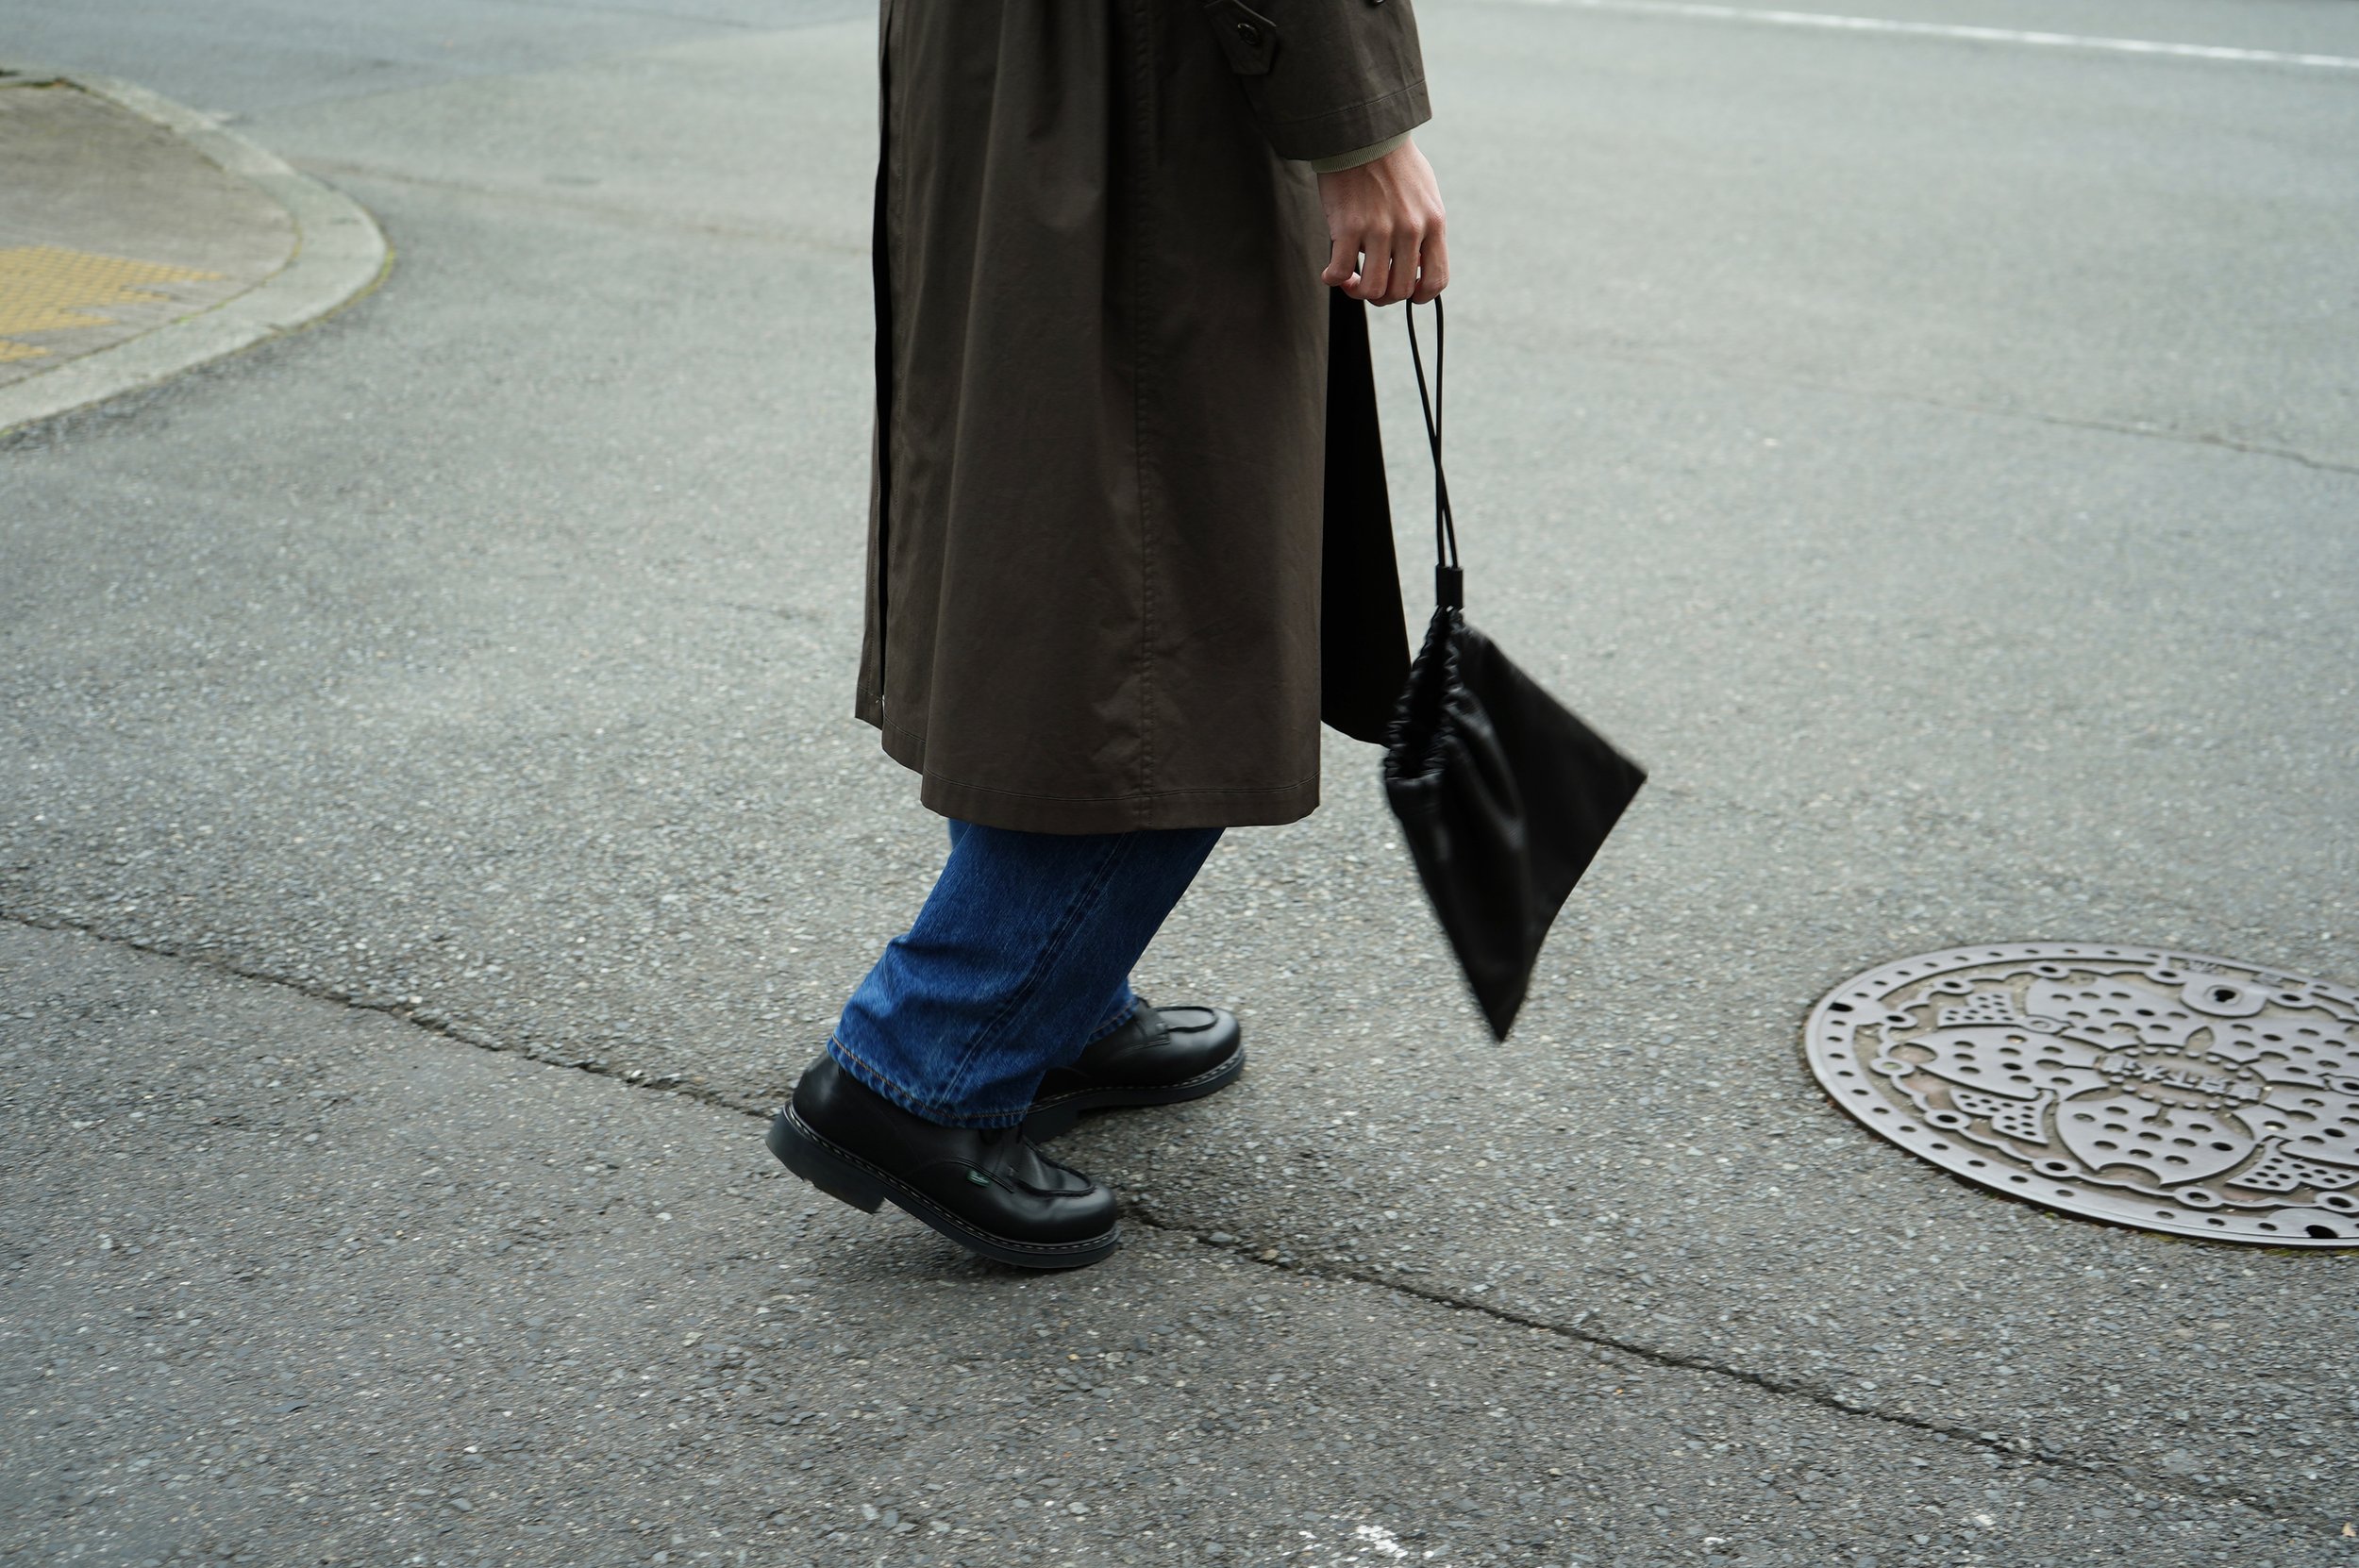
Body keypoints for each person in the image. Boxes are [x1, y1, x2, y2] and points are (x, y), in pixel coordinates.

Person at [768, 0, 1449, 1269]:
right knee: (1164, 604)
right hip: (1132, 85)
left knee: (1065, 545)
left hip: (1021, 67)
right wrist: (1359, 131)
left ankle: (1052, 995)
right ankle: (926, 1061)